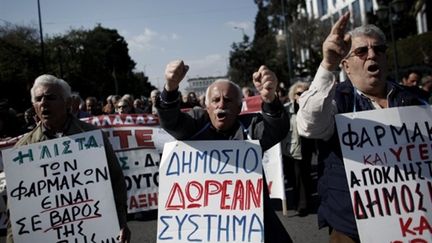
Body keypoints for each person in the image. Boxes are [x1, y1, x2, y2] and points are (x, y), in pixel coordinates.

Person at [296, 12, 427, 243]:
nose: (372, 55)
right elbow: (310, 124)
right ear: (345, 64)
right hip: (352, 228)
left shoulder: (418, 101)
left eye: (379, 49)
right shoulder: (337, 102)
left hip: (416, 224)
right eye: (361, 51)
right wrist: (327, 64)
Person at [156, 59, 292, 243]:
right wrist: (170, 89)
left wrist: (271, 100)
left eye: (228, 100)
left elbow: (277, 129)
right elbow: (171, 121)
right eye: (215, 100)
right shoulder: (195, 125)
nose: (221, 105)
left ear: (238, 108)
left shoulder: (250, 128)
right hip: (204, 227)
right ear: (207, 106)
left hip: (252, 226)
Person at [7, 74, 130, 243]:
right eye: (38, 99)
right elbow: (16, 212)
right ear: (34, 105)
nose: (44, 103)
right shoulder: (22, 150)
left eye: (51, 97)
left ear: (67, 103)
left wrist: (121, 221)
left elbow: (116, 181)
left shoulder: (92, 137)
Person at [281, 81, 312, 217]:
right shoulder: (286, 110)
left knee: (302, 176)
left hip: (305, 148)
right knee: (291, 177)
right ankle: (297, 201)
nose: (302, 95)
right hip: (288, 149)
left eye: (306, 93)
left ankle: (303, 205)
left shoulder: (312, 109)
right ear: (293, 96)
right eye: (299, 93)